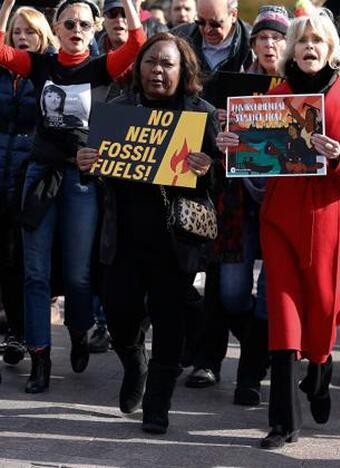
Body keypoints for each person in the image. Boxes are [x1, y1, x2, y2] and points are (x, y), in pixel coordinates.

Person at [217, 7, 340, 449]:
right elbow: (248, 157)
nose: (309, 48)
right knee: (283, 319)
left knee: (325, 313)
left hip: (329, 220)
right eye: (302, 41)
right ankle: (282, 422)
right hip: (281, 218)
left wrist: (339, 155)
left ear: (332, 51)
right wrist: (230, 144)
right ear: (293, 50)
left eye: (318, 42)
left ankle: (321, 372)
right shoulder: (274, 101)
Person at [77, 31, 220, 434]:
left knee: (170, 320)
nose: (158, 70)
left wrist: (208, 170)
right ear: (138, 68)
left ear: (183, 70)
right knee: (120, 314)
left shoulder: (201, 114)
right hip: (122, 237)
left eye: (167, 64)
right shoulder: (118, 109)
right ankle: (133, 361)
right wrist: (85, 162)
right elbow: (96, 175)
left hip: (175, 242)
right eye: (151, 62)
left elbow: (221, 182)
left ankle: (158, 403)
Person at [0, 0, 145, 394]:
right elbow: (1, 50)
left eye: (84, 23)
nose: (77, 28)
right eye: (69, 23)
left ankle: (79, 332)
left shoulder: (102, 67)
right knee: (35, 274)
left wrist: (131, 5)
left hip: (81, 180)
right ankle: (40, 358)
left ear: (93, 27)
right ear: (57, 28)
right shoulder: (42, 65)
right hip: (40, 176)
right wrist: (7, 6)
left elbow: (136, 44)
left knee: (79, 275)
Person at [185, 5, 289, 407]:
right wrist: (221, 133)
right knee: (230, 293)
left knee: (268, 296)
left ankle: (250, 374)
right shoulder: (236, 84)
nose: (269, 44)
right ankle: (263, 351)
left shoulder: (302, 89)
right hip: (238, 203)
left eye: (277, 38)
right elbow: (209, 135)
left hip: (282, 203)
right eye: (262, 37)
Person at [0, 6, 57, 368]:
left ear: (43, 37)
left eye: (30, 33)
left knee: (24, 261)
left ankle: (23, 333)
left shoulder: (48, 73)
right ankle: (16, 332)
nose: (23, 38)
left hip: (30, 174)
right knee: (5, 259)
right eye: (16, 32)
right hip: (1, 171)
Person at [172, 0, 251, 106]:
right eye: (201, 22)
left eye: (215, 24)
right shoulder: (177, 39)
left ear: (233, 15)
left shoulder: (253, 45)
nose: (207, 29)